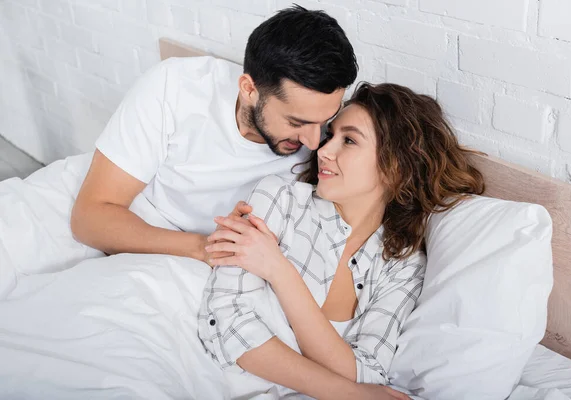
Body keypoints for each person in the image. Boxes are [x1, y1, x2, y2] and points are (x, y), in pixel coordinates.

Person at [198, 83, 486, 399]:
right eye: (330, 135)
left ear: (397, 168)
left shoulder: (402, 266)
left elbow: (367, 370)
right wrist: (347, 393)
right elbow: (225, 322)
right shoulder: (280, 198)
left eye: (348, 140)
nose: (323, 150)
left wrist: (281, 273)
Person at [69, 6, 358, 264]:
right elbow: (89, 218)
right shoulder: (176, 87)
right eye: (296, 121)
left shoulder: (326, 146)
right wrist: (200, 247)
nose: (312, 142)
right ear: (248, 89)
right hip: (136, 221)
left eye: (324, 121)